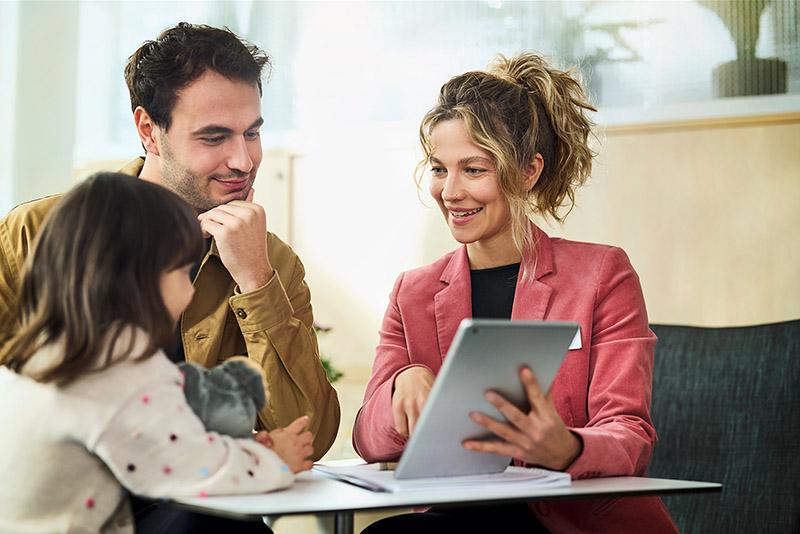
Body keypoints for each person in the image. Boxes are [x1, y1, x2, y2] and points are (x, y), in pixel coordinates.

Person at [352, 53, 678, 533]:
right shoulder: (413, 292)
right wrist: (400, 387)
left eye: (475, 170)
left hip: (572, 523)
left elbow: (630, 434)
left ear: (528, 171)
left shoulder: (601, 274)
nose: (450, 191)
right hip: (460, 521)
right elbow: (368, 440)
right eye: (440, 169)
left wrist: (564, 446)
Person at [0, 23, 339, 460]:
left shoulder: (271, 262)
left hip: (200, 502)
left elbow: (311, 439)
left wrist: (256, 282)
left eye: (252, 133)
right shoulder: (34, 233)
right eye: (214, 137)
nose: (243, 161)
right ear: (148, 129)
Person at [0, 173, 314, 534]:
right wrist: (276, 460)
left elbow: (167, 440)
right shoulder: (123, 372)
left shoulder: (40, 357)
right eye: (181, 271)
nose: (191, 291)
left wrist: (231, 447)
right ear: (139, 279)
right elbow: (192, 469)